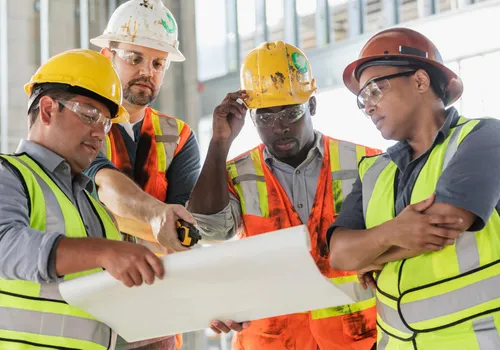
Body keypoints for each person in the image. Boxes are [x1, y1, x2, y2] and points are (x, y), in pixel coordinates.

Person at [188, 41, 380, 350]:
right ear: (250, 118)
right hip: (271, 342)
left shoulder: (366, 162)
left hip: (356, 340)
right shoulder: (237, 173)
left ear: (312, 106)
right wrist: (220, 141)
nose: (279, 127)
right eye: (264, 116)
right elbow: (210, 227)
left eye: (291, 112)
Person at [328, 27, 500, 349]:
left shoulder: (484, 137)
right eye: (362, 100)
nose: (368, 107)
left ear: (420, 81)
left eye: (375, 90)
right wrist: (390, 233)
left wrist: (374, 253)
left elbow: (443, 225)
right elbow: (339, 254)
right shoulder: (374, 169)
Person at [0, 49, 174, 349]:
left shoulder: (97, 208)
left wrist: (196, 313)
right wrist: (105, 251)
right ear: (47, 110)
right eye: (90, 115)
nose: (99, 133)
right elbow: (5, 246)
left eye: (106, 123)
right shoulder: (10, 174)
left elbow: (91, 319)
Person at [86, 0, 201, 255]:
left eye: (158, 63)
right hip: (90, 278)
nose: (147, 72)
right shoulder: (82, 120)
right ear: (108, 56)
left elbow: (183, 227)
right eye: (134, 58)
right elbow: (103, 186)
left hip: (160, 282)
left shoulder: (178, 137)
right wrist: (157, 216)